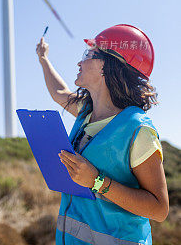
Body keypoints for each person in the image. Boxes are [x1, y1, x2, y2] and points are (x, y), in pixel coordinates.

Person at [36, 24, 169, 245]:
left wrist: (97, 181)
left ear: (107, 65)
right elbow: (59, 92)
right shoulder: (85, 113)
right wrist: (43, 59)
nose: (80, 62)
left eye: (88, 54)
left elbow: (159, 209)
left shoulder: (138, 130)